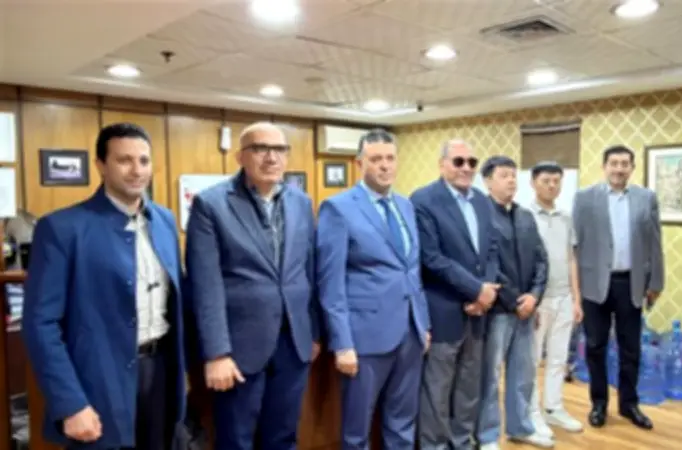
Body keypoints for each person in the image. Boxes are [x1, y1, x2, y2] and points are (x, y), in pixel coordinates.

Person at [22, 122, 186, 449]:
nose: (137, 170)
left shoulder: (165, 221)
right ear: (100, 165)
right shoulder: (62, 228)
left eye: (144, 160)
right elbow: (41, 324)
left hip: (161, 371)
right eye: (124, 160)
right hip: (98, 380)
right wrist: (70, 403)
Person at [184, 122, 320, 449]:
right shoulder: (211, 205)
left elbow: (309, 272)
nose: (271, 158)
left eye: (279, 149)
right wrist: (217, 353)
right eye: (260, 149)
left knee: (284, 437)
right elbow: (205, 285)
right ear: (240, 157)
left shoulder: (301, 202)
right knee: (236, 440)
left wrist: (313, 332)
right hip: (239, 348)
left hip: (293, 343)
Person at [316, 129, 429, 450]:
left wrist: (423, 324)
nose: (384, 165)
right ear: (359, 163)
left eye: (390, 158)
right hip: (364, 338)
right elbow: (330, 283)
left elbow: (412, 269)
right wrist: (342, 343)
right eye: (376, 158)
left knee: (402, 423)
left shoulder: (405, 206)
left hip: (410, 334)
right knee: (357, 431)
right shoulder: (338, 208)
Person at [411, 139, 500, 450]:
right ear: (442, 164)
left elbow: (491, 250)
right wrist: (476, 289)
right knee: (437, 388)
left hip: (478, 312)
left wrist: (486, 292)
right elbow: (432, 258)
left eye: (472, 162)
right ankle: (434, 445)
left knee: (468, 385)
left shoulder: (482, 201)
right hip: (443, 310)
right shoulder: (423, 200)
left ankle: (462, 441)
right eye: (458, 161)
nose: (466, 168)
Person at [572, 145, 664, 430]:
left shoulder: (646, 198)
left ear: (632, 168)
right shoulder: (584, 198)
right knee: (595, 346)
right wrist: (574, 290)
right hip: (594, 284)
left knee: (630, 348)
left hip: (631, 282)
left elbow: (655, 242)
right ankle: (598, 403)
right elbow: (575, 245)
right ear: (604, 166)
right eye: (614, 163)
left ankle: (629, 404)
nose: (619, 169)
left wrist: (656, 282)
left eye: (625, 164)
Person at [474, 157, 551, 449]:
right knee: (491, 376)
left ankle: (520, 427)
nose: (511, 181)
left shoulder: (525, 216)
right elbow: (488, 265)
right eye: (504, 175)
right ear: (488, 181)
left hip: (527, 309)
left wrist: (534, 296)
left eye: (513, 175)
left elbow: (542, 260)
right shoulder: (481, 215)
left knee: (524, 373)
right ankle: (487, 435)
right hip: (498, 310)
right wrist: (513, 300)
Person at [528, 161, 584, 440]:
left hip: (564, 297)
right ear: (533, 183)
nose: (552, 186)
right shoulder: (524, 216)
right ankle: (531, 412)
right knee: (532, 359)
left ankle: (553, 407)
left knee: (559, 358)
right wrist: (531, 300)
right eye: (546, 181)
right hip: (539, 300)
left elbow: (571, 258)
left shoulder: (566, 216)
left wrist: (576, 298)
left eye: (556, 181)